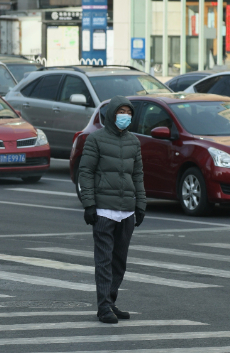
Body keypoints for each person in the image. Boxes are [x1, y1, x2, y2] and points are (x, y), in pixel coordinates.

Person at [78, 95, 146, 324]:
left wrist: (140, 204)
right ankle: (104, 306)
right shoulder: (95, 140)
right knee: (104, 261)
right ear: (111, 114)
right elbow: (85, 172)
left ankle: (111, 301)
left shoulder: (134, 142)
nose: (125, 116)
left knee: (119, 261)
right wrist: (89, 204)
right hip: (104, 211)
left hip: (126, 211)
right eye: (121, 112)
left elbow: (137, 175)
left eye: (129, 113)